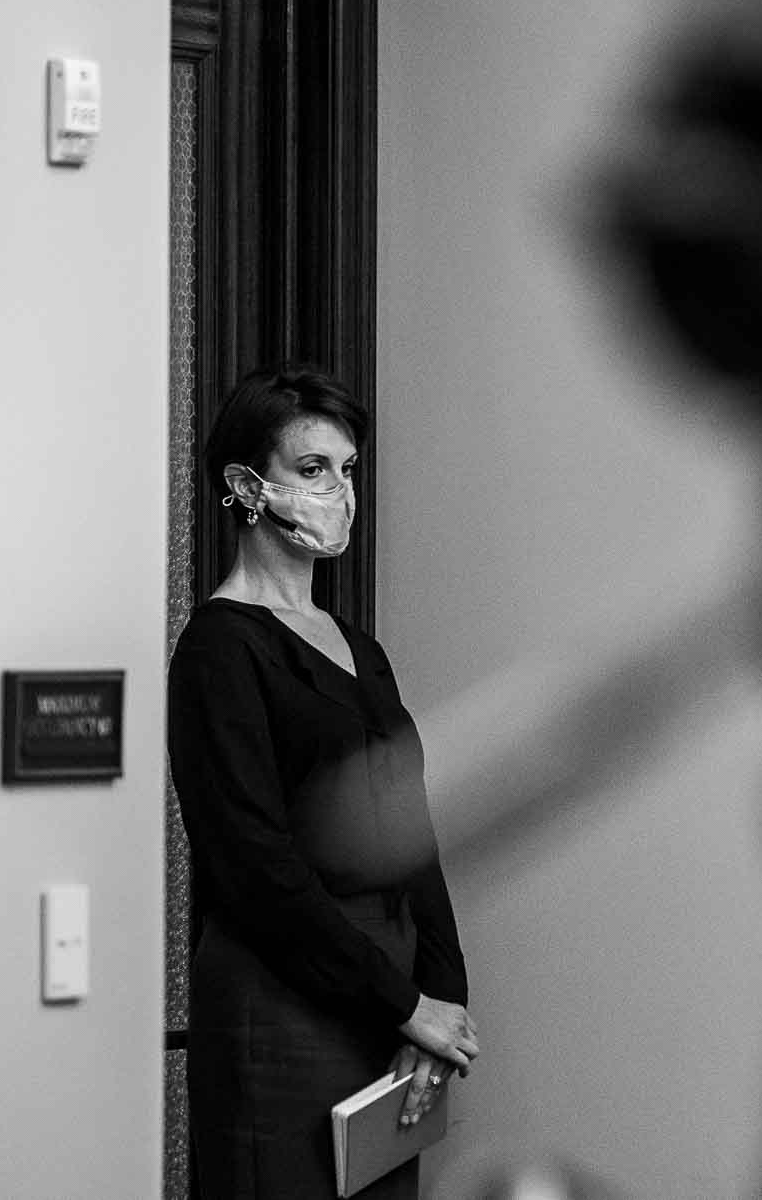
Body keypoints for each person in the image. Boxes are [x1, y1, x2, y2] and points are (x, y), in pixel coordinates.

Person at [170, 365, 478, 1199]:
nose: (338, 492)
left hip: (391, 999)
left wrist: (438, 999)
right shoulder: (219, 650)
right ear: (246, 486)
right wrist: (402, 1002)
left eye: (347, 470)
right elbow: (252, 865)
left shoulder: (358, 646)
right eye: (313, 470)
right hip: (282, 1002)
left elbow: (411, 830)